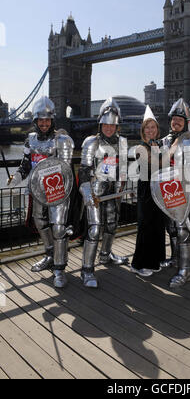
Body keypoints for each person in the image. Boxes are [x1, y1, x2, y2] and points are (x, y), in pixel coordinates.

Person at [7, 97, 74, 288]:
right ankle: (50, 255)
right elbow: (26, 164)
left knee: (59, 229)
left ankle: (60, 269)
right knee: (40, 222)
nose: (44, 124)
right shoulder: (30, 140)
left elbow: (66, 170)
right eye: (40, 120)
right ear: (35, 121)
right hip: (37, 191)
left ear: (52, 121)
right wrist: (16, 178)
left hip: (57, 190)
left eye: (47, 120)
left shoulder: (63, 140)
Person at [78, 97, 129, 288]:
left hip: (113, 191)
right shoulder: (91, 142)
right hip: (95, 191)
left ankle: (106, 255)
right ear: (100, 124)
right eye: (105, 124)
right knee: (94, 229)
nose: (109, 127)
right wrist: (88, 194)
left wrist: (122, 185)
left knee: (112, 225)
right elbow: (83, 171)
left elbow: (123, 167)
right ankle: (86, 269)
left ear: (117, 126)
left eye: (112, 125)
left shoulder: (123, 142)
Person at [160, 98, 190, 288]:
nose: (176, 122)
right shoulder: (165, 140)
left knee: (183, 230)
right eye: (174, 119)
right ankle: (175, 259)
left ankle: (186, 270)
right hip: (168, 191)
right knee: (171, 228)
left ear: (186, 122)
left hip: (184, 192)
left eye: (180, 120)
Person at [130, 106, 166, 277]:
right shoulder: (140, 147)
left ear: (157, 130)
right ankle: (139, 264)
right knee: (146, 226)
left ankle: (155, 260)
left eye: (153, 127)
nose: (151, 130)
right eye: (147, 128)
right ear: (143, 131)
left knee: (158, 225)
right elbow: (150, 165)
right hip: (146, 190)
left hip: (159, 190)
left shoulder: (159, 145)